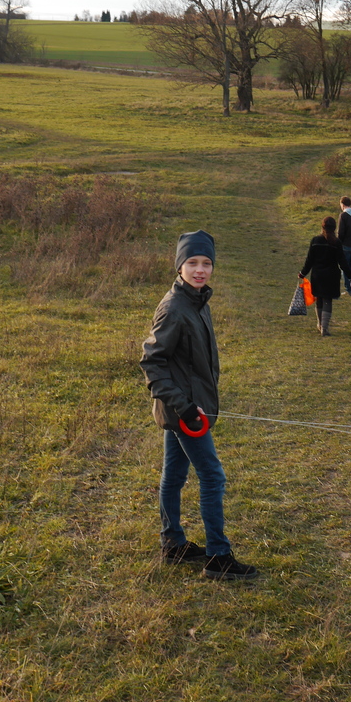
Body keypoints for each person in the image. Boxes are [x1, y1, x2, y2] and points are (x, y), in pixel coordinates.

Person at [140, 230, 259, 581]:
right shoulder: (174, 308)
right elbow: (152, 363)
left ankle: (173, 544)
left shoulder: (196, 300)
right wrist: (186, 406)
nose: (200, 269)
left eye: (206, 263)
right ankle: (219, 556)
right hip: (185, 413)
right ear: (179, 266)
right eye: (192, 263)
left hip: (191, 409)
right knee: (212, 475)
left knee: (174, 475)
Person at [299, 216, 351, 336]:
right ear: (334, 228)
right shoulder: (337, 243)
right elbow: (343, 262)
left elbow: (309, 260)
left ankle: (319, 324)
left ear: (322, 226)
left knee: (319, 299)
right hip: (331, 276)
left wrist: (303, 273)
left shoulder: (315, 241)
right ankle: (325, 327)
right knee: (328, 300)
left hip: (317, 275)